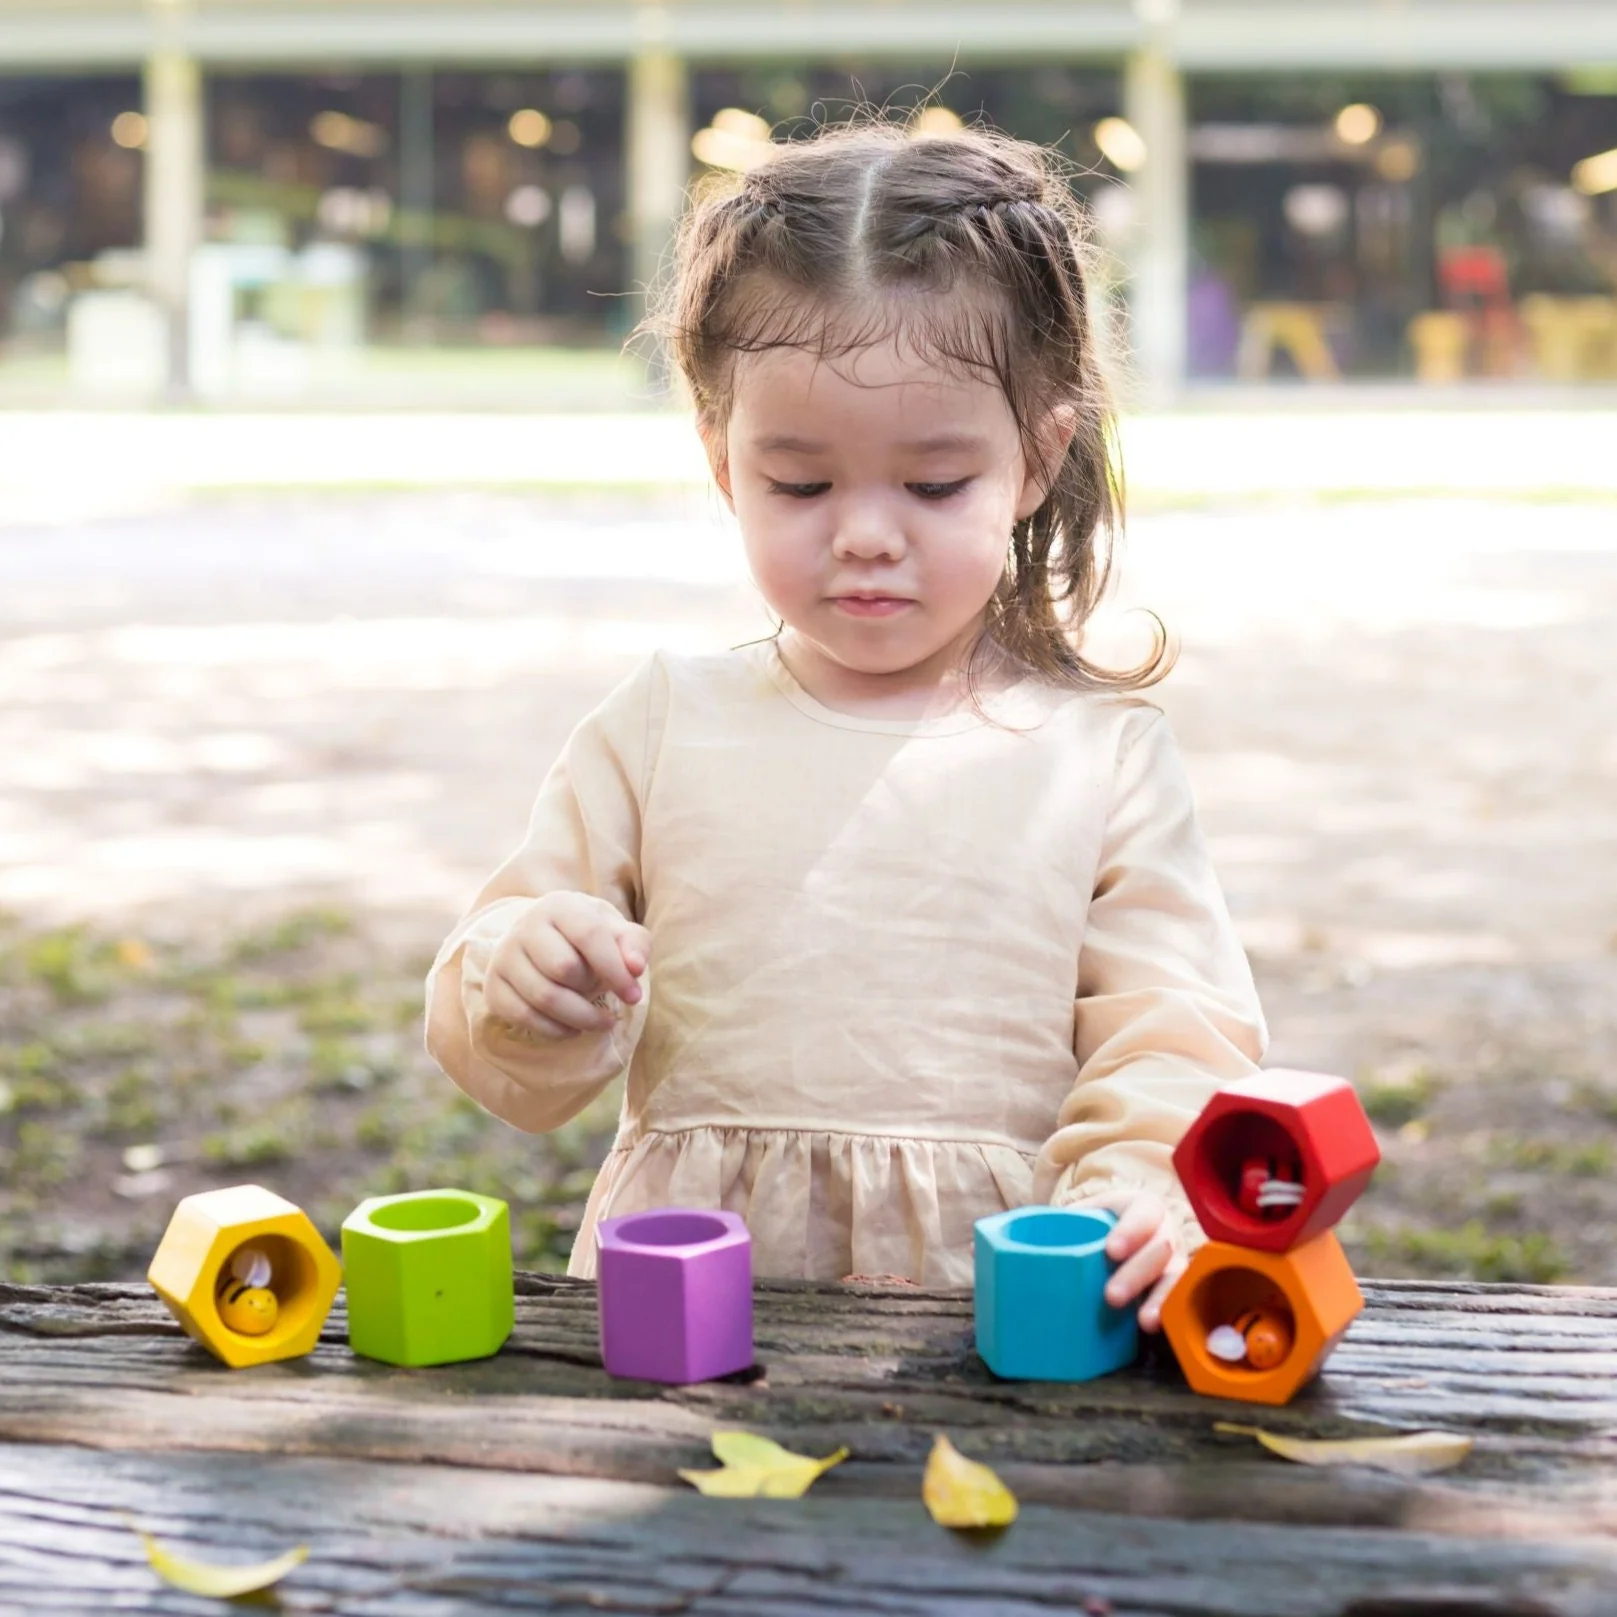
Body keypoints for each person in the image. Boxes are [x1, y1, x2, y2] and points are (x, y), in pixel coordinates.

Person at [426, 118, 1266, 1332]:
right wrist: (525, 974)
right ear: (722, 460)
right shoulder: (660, 726)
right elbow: (500, 1042)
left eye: (934, 485)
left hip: (1002, 1315)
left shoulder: (1100, 759)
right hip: (690, 1314)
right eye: (801, 483)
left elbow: (1175, 1032)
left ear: (1037, 457)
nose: (867, 533)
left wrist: (1139, 1181)